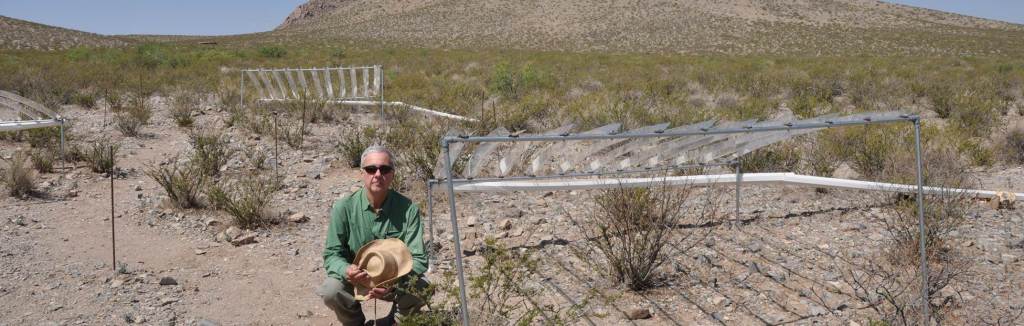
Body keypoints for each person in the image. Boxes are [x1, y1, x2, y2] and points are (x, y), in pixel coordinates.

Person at [317, 145, 429, 325]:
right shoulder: (343, 208)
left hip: (395, 280)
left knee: (422, 286)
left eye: (384, 169)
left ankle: (397, 321)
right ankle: (354, 322)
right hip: (355, 278)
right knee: (331, 290)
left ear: (392, 174)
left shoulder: (408, 210)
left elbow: (419, 259)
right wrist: (347, 270)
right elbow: (332, 254)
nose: (378, 174)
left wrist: (392, 284)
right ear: (362, 173)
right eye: (371, 169)